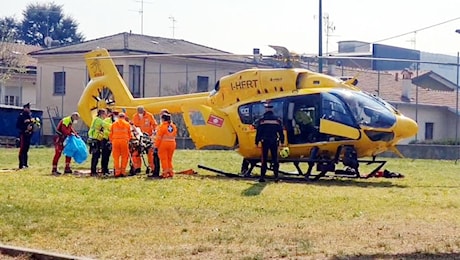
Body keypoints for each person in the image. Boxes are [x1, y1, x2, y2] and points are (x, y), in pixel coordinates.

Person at [254, 102, 285, 182]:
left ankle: (262, 177)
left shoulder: (262, 120)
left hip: (265, 141)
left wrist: (257, 142)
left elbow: (259, 132)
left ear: (266, 109)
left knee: (264, 159)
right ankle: (276, 177)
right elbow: (281, 131)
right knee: (275, 159)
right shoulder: (277, 120)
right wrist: (282, 141)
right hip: (274, 141)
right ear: (272, 109)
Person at [132, 106, 157, 174]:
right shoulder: (135, 116)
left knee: (150, 153)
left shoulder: (149, 116)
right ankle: (137, 167)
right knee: (136, 153)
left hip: (148, 137)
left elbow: (154, 124)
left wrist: (154, 132)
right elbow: (134, 126)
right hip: (138, 137)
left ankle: (152, 168)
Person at [154, 112, 177, 178]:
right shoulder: (173, 126)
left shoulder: (162, 127)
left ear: (163, 119)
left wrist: (156, 146)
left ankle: (165, 173)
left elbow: (159, 137)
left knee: (164, 159)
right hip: (172, 144)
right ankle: (170, 172)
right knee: (169, 159)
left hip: (163, 144)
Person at [109, 112, 132, 177]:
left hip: (115, 141)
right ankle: (123, 172)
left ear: (118, 117)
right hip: (124, 141)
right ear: (124, 117)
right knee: (124, 156)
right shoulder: (127, 124)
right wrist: (129, 139)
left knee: (116, 157)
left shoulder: (113, 124)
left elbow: (111, 134)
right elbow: (129, 134)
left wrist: (112, 141)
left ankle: (117, 172)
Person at [87, 109, 107, 176]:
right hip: (95, 139)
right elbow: (105, 125)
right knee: (95, 156)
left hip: (94, 138)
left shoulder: (95, 119)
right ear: (101, 114)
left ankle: (93, 170)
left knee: (96, 155)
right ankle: (93, 171)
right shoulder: (99, 120)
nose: (105, 116)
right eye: (105, 114)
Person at [16, 103, 33, 169]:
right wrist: (25, 128)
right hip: (23, 134)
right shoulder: (21, 116)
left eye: (29, 108)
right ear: (25, 108)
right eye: (27, 108)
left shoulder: (29, 116)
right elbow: (18, 126)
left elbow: (31, 124)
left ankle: (25, 164)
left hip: (28, 135)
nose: (29, 109)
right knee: (22, 149)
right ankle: (21, 165)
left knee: (26, 149)